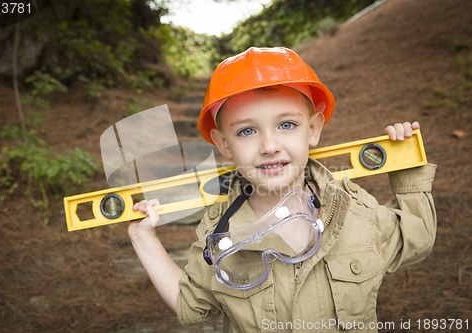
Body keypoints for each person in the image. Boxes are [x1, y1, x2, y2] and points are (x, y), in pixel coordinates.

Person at [128, 47, 437, 332]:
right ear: (224, 144)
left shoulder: (351, 208)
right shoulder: (219, 235)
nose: (269, 146)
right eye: (247, 131)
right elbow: (191, 307)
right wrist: (144, 239)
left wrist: (406, 168)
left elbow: (416, 238)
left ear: (313, 129)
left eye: (286, 125)